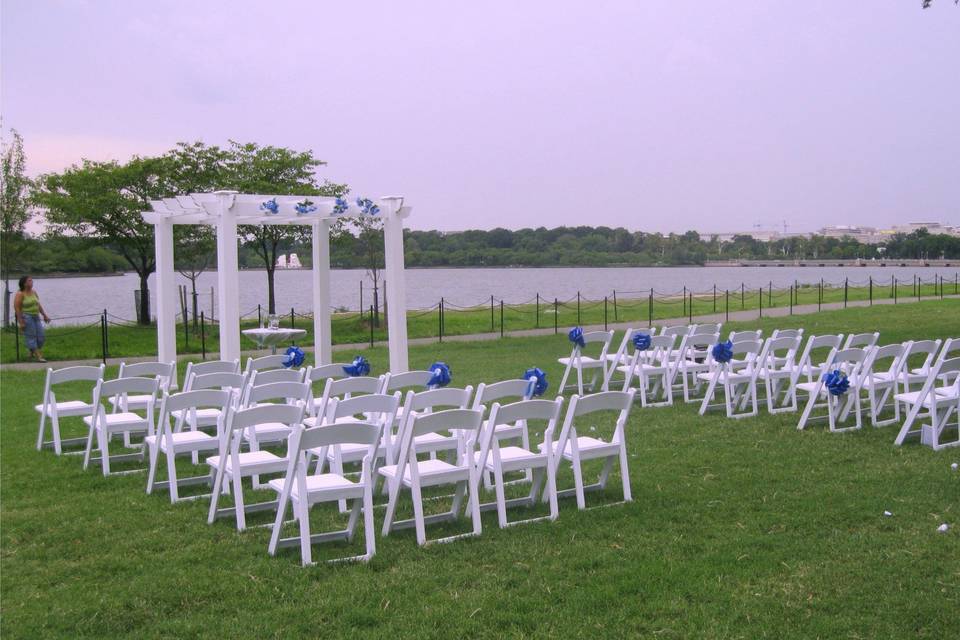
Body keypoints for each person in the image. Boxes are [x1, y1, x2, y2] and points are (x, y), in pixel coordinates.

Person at [14, 275, 51, 362]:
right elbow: (17, 308)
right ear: (24, 283)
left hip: (36, 316)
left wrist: (44, 315)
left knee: (41, 337)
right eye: (29, 281)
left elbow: (38, 304)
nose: (32, 282)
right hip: (27, 317)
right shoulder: (20, 294)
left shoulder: (34, 292)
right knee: (31, 337)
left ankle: (31, 352)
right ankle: (39, 356)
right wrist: (21, 322)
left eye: (32, 281)